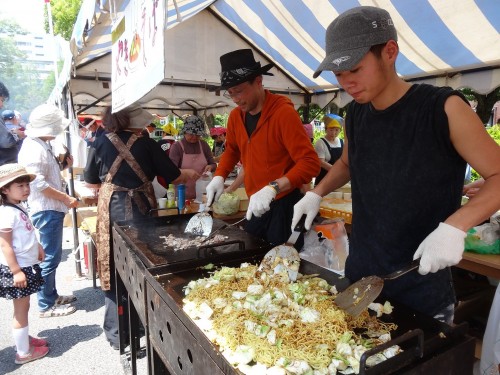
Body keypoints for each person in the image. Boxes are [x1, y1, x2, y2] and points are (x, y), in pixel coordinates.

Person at [292, 6, 500, 323]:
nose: (347, 83)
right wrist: (317, 193)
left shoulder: (442, 108)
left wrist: (456, 225)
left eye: (356, 69)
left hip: (421, 287)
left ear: (390, 52)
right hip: (361, 280)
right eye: (339, 74)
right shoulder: (356, 116)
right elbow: (347, 163)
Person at [84, 104, 197, 350]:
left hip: (111, 210)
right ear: (135, 121)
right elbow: (174, 176)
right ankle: (141, 327)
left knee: (114, 266)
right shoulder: (147, 144)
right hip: (140, 209)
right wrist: (189, 173)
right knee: (141, 263)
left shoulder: (99, 142)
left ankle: (117, 335)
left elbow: (91, 180)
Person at [205, 49, 320, 248]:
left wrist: (273, 187)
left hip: (285, 204)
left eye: (239, 91)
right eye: (230, 93)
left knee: (282, 269)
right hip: (256, 203)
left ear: (258, 81)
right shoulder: (235, 117)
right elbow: (232, 150)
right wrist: (219, 176)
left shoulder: (283, 114)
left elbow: (310, 163)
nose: (236, 99)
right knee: (252, 259)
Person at [18, 104, 79, 318]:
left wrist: (63, 166)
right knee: (50, 257)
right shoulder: (34, 148)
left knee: (50, 256)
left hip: (50, 208)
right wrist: (66, 197)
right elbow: (37, 185)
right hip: (46, 209)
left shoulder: (40, 144)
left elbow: (44, 176)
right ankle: (46, 304)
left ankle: (51, 296)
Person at [0, 163, 49, 364]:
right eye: (20, 186)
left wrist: (37, 246)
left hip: (26, 266)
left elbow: (26, 232)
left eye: (26, 185)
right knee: (21, 310)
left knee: (25, 306)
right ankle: (23, 352)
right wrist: (16, 271)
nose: (26, 189)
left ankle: (24, 338)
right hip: (19, 270)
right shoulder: (6, 212)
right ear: (4, 189)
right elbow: (5, 245)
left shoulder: (17, 206)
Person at [169, 115, 216, 200]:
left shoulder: (204, 145)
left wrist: (210, 167)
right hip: (183, 194)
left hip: (203, 192)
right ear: (185, 132)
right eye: (191, 134)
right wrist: (186, 172)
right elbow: (171, 171)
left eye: (197, 135)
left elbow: (213, 163)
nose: (194, 137)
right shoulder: (177, 147)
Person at [314, 114, 344, 186]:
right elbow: (321, 162)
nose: (333, 133)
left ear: (340, 130)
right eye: (331, 130)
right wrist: (337, 171)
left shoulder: (342, 142)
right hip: (323, 180)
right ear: (326, 129)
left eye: (336, 130)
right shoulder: (320, 142)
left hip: (337, 179)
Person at [0, 82, 22, 165]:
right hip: (5, 168)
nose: (2, 105)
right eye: (2, 100)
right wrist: (18, 135)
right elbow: (7, 142)